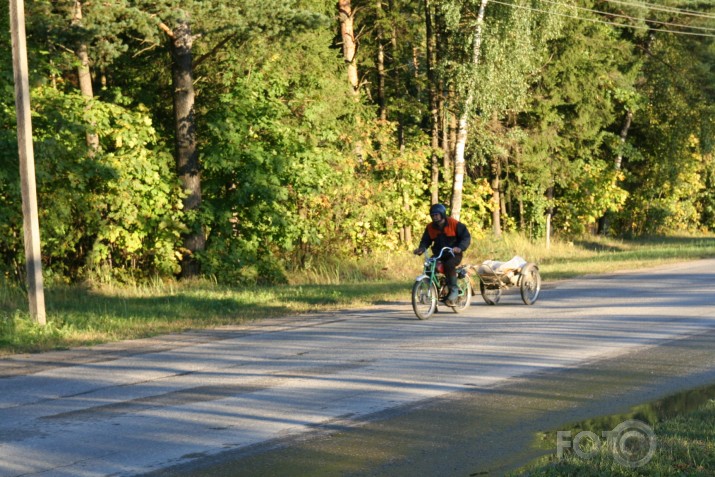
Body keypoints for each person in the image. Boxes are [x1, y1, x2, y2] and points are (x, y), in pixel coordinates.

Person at [413, 203, 472, 305]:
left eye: (436, 215)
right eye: (433, 215)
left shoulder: (454, 224)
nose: (434, 217)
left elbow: (466, 237)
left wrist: (460, 248)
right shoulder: (430, 227)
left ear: (442, 214)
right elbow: (425, 240)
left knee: (449, 264)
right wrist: (421, 249)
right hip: (439, 254)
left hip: (454, 254)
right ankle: (434, 293)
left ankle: (453, 289)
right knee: (429, 266)